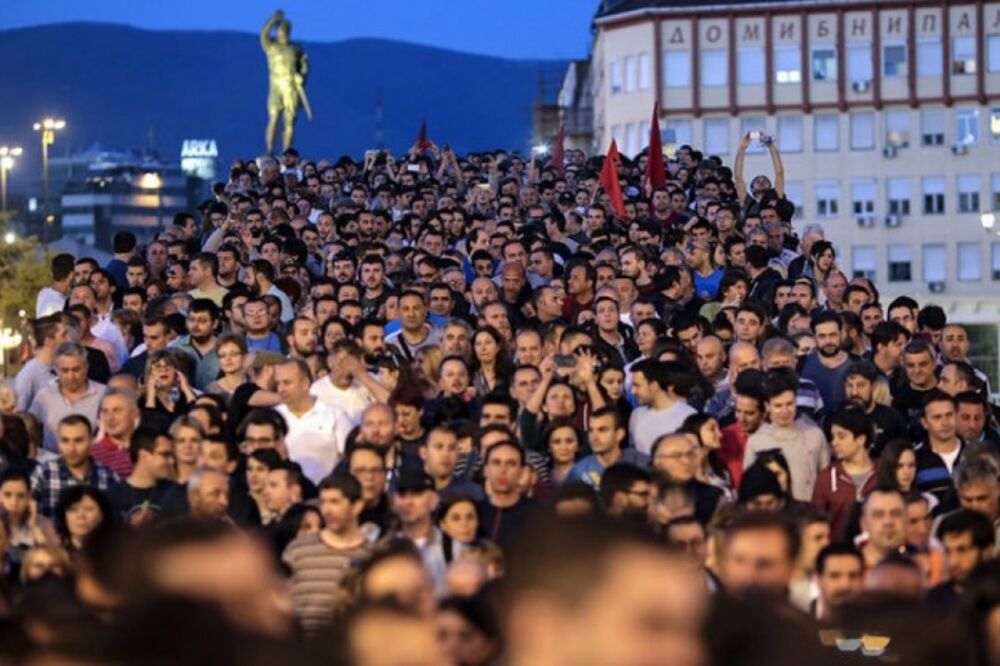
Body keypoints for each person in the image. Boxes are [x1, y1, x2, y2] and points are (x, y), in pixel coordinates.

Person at [283, 473, 371, 635]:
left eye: (335, 502)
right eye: (323, 502)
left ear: (357, 506)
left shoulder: (373, 556)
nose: (327, 510)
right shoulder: (298, 551)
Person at [744, 373, 829, 502]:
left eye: (789, 404)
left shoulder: (814, 435)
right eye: (778, 406)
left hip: (807, 512)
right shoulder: (756, 442)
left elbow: (825, 480)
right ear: (767, 407)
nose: (785, 411)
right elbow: (750, 487)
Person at [274, 358, 352, 484]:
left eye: (287, 383)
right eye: (278, 384)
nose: (280, 389)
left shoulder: (335, 415)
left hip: (325, 496)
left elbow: (350, 458)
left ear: (305, 383)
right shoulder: (273, 417)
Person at [30, 414, 118, 518]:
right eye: (65, 441)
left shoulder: (109, 478)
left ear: (91, 442)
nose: (71, 448)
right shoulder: (43, 473)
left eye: (78, 441)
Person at [29, 342, 107, 452]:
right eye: (65, 370)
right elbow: (31, 427)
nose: (71, 376)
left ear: (86, 368)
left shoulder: (103, 394)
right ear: (57, 371)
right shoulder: (44, 396)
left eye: (76, 369)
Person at [106, 427, 178, 524]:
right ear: (143, 455)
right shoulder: (111, 497)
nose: (171, 461)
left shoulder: (176, 493)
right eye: (165, 455)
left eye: (172, 456)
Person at [566, 406, 648, 490]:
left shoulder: (642, 464)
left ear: (619, 434)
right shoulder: (579, 471)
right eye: (591, 430)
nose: (594, 437)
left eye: (602, 430)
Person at [927, 509, 996, 607]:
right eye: (947, 551)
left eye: (962, 550)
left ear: (987, 551)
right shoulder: (933, 600)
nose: (953, 562)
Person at [628, 359, 697, 455]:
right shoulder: (636, 415)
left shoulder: (687, 415)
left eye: (637, 385)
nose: (633, 391)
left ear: (654, 386)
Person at [813, 544, 864, 621]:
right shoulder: (799, 618)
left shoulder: (877, 621)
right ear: (818, 580)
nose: (845, 585)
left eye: (853, 576)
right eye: (835, 576)